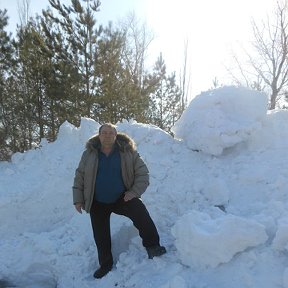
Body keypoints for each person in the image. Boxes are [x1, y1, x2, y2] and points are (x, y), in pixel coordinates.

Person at [73, 123, 166, 279]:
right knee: (100, 235)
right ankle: (105, 265)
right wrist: (78, 199)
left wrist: (134, 192)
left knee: (142, 215)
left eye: (111, 133)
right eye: (104, 132)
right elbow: (80, 176)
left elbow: (143, 174)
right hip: (97, 201)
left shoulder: (127, 152)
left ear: (116, 135)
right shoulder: (89, 153)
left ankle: (153, 246)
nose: (107, 135)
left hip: (121, 197)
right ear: (99, 134)